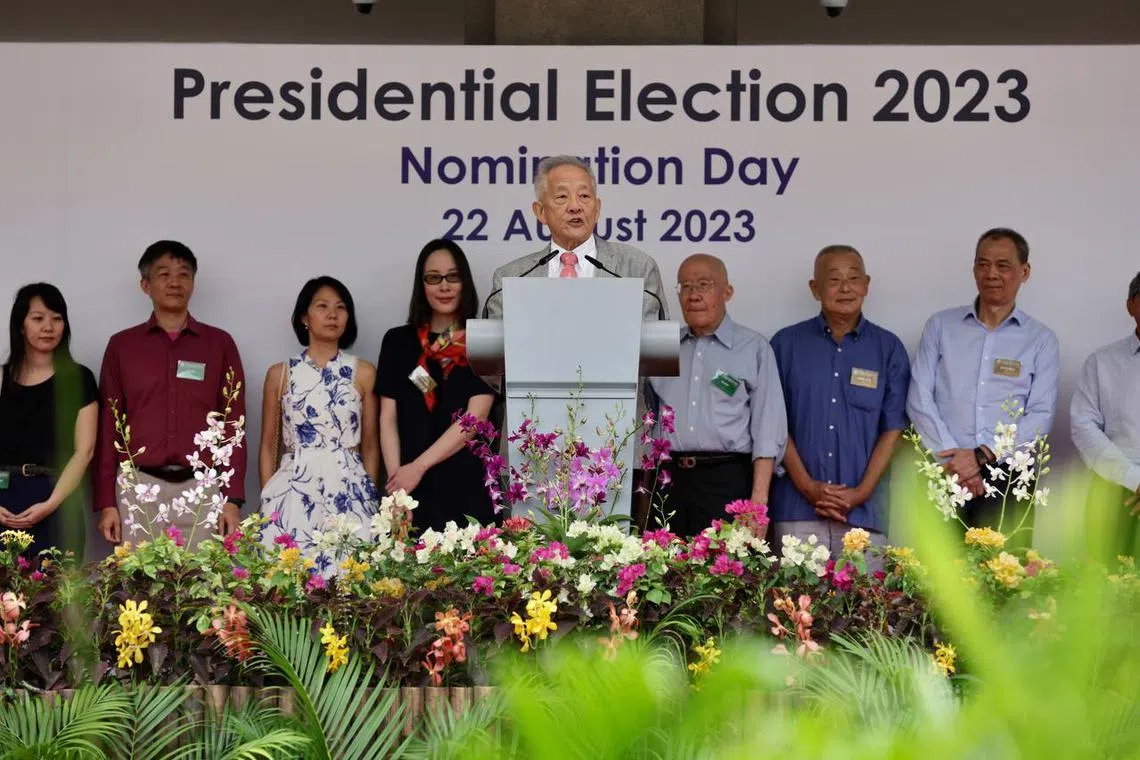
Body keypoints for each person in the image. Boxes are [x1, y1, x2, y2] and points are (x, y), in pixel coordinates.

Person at [906, 228, 1059, 545]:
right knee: (935, 584)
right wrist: (955, 462)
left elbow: (1040, 415)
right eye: (982, 264)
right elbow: (918, 399)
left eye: (1003, 265)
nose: (991, 274)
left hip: (1008, 478)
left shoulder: (1041, 340)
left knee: (1006, 581)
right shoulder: (941, 327)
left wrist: (982, 455)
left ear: (1024, 272)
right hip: (945, 470)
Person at [95, 240, 246, 548]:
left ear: (193, 282)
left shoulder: (219, 345)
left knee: (202, 591)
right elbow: (108, 427)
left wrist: (233, 498)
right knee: (137, 589)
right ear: (145, 284)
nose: (175, 282)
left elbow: (233, 426)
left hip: (203, 489)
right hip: (138, 488)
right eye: (164, 274)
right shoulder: (122, 347)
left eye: (184, 274)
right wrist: (107, 501)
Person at [769, 246, 910, 557]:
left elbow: (894, 429)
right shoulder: (785, 345)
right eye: (834, 280)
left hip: (864, 515)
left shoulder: (888, 349)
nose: (845, 288)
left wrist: (860, 494)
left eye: (853, 278)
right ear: (814, 288)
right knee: (793, 605)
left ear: (866, 284)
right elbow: (773, 423)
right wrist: (808, 487)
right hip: (797, 511)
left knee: (863, 606)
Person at [646, 254, 787, 537]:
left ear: (727, 292)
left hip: (728, 480)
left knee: (725, 574)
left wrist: (758, 502)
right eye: (685, 287)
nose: (693, 295)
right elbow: (644, 419)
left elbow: (768, 429)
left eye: (703, 285)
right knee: (663, 574)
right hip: (670, 481)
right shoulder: (662, 343)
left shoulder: (752, 347)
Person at [259, 277, 381, 572]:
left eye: (340, 308)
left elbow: (370, 444)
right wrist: (269, 499)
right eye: (322, 306)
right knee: (292, 578)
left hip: (349, 487)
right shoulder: (280, 373)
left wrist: (371, 497)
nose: (332, 314)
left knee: (351, 577)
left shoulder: (363, 372)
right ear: (305, 317)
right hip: (293, 486)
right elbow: (267, 443)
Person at [376, 239, 496, 533]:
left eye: (453, 277)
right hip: (409, 491)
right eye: (434, 278)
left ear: (465, 282)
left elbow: (474, 420)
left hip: (466, 486)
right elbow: (388, 419)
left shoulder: (485, 339)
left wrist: (418, 467)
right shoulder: (397, 342)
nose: (444, 286)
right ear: (422, 284)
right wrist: (397, 490)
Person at [483, 155, 669, 321]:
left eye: (584, 196)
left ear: (597, 209)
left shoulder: (637, 268)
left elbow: (655, 349)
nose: (575, 206)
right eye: (562, 196)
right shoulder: (510, 278)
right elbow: (498, 353)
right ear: (540, 212)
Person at [0, 284, 98, 561]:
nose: (48, 327)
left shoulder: (79, 378)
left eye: (56, 318)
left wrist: (51, 504)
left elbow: (85, 451)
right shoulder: (1, 378)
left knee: (56, 597)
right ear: (21, 325)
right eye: (38, 318)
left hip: (56, 501)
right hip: (3, 499)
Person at [1070, 270, 1140, 560]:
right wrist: (1134, 479)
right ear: (1131, 306)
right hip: (1115, 490)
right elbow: (1082, 426)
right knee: (1107, 587)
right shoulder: (1103, 362)